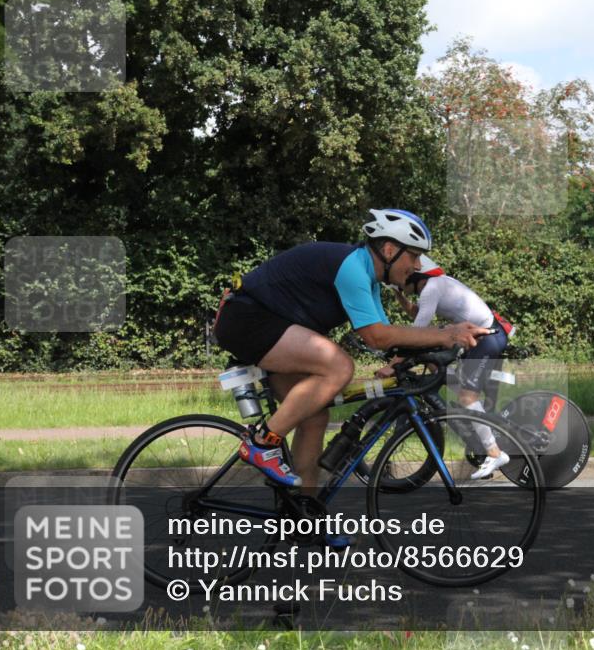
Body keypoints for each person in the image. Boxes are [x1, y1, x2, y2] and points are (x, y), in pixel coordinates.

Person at [212, 209, 488, 496]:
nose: (417, 266)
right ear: (390, 249)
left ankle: (305, 515)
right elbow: (376, 336)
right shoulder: (352, 268)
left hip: (268, 323)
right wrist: (445, 334)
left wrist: (432, 349)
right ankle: (262, 443)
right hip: (247, 318)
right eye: (414, 255)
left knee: (313, 416)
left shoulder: (367, 277)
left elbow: (388, 338)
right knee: (340, 367)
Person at [393, 255, 515, 479]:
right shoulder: (434, 287)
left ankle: (494, 452)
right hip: (480, 337)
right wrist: (402, 300)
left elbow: (418, 331)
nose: (400, 284)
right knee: (436, 366)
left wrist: (394, 364)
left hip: (487, 339)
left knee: (467, 397)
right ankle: (474, 427)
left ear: (415, 276)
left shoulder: (431, 288)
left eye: (402, 281)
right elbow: (419, 315)